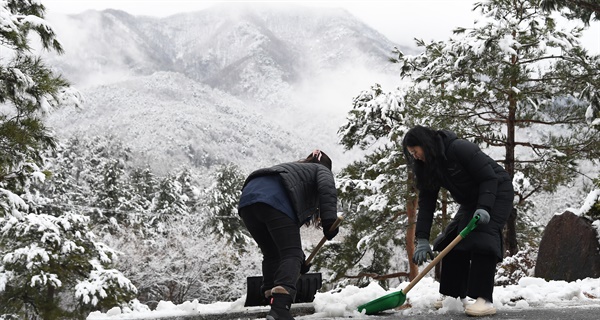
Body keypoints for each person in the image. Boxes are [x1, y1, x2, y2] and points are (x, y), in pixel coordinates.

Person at [402, 126, 514, 317]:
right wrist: (421, 238)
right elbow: (427, 203)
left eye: (415, 151)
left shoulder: (458, 148)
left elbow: (489, 177)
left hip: (496, 191)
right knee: (452, 240)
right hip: (471, 201)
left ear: (425, 144)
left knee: (482, 237)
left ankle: (483, 299)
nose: (415, 157)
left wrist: (485, 207)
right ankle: (453, 295)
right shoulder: (428, 166)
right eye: (411, 153)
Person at [238, 149, 340, 320]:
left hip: (248, 201)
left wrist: (300, 258)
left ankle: (270, 296)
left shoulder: (293, 171)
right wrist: (329, 221)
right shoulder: (320, 169)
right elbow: (327, 189)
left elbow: (284, 240)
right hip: (275, 201)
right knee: (290, 254)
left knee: (272, 254)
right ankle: (280, 308)